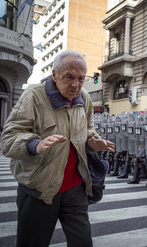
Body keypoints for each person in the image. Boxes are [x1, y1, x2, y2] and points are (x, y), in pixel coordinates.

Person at [1, 50, 114, 247]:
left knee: (83, 242)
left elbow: (88, 129)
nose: (76, 85)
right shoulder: (34, 96)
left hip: (76, 188)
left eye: (80, 78)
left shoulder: (84, 97)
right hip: (40, 189)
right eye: (69, 77)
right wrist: (34, 144)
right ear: (54, 75)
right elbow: (9, 138)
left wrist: (92, 141)